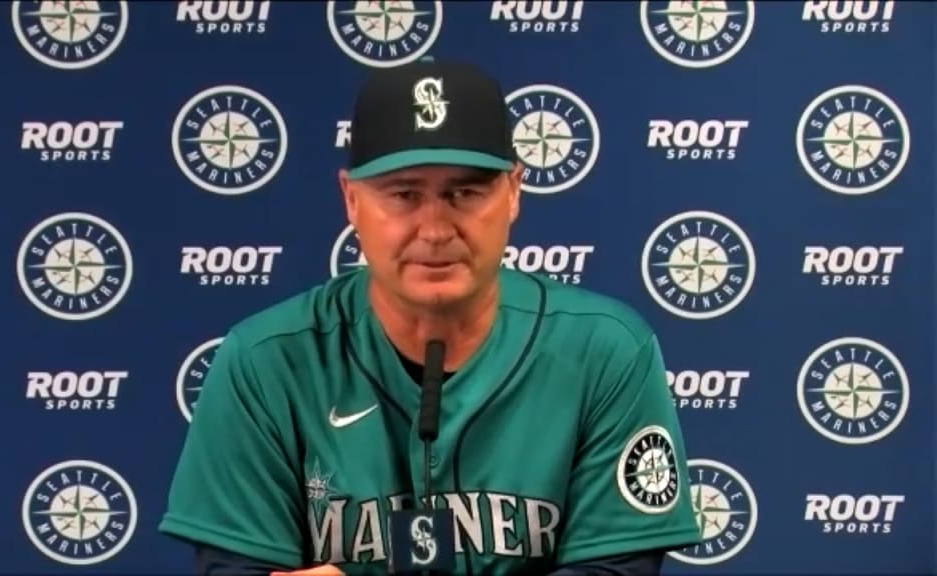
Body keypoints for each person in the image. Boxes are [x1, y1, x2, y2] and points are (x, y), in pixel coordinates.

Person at [158, 58, 702, 575]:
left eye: (464, 192)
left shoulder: (604, 351)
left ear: (513, 191)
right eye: (403, 194)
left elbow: (617, 568)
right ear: (351, 200)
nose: (436, 229)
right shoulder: (265, 361)